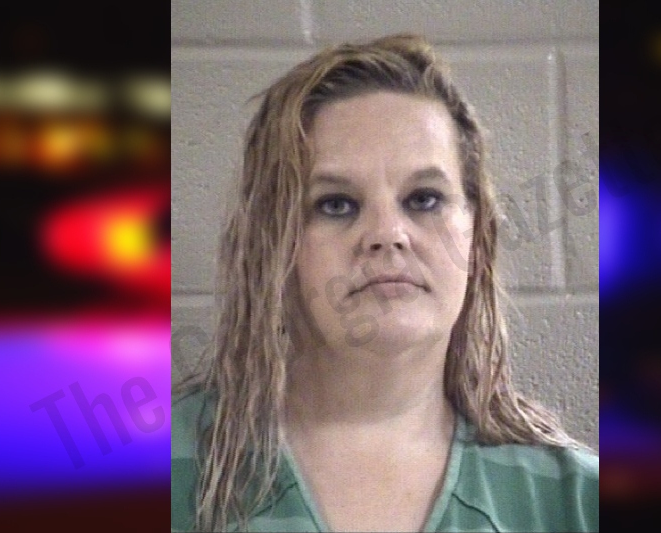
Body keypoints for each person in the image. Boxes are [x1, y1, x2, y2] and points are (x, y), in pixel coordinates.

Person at [172, 34, 598, 532]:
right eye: (336, 204)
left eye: (424, 199)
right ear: (275, 244)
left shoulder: (575, 500)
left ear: (477, 235)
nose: (387, 234)